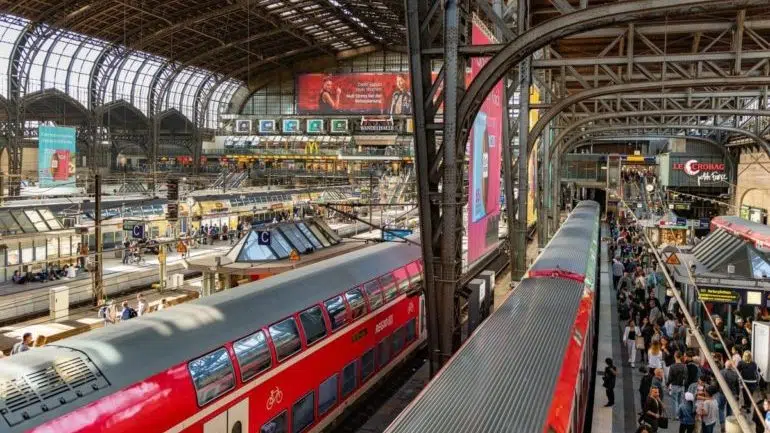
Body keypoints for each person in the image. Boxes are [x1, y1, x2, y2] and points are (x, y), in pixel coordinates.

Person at [668, 351, 688, 418]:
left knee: (674, 400)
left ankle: (676, 415)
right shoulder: (684, 366)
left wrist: (667, 383)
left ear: (675, 356)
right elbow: (686, 377)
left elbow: (670, 377)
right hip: (682, 385)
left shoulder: (672, 366)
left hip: (674, 385)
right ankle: (680, 414)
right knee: (681, 400)